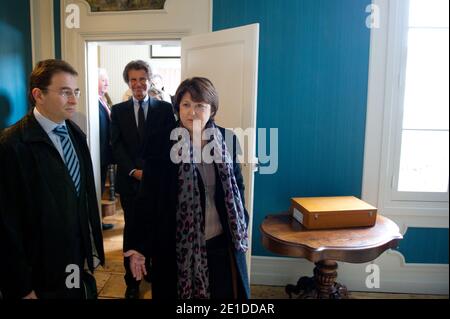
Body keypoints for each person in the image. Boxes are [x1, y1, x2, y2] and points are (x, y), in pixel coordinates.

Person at [126, 77, 250, 299]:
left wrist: (242, 220)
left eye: (200, 105)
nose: (192, 112)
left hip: (223, 243)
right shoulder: (161, 142)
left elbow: (238, 187)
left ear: (212, 110)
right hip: (175, 248)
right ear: (178, 108)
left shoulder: (227, 139)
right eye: (186, 105)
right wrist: (138, 247)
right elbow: (146, 198)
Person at [0, 59, 104, 299]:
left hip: (73, 260)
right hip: (38, 271)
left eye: (75, 91)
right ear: (39, 94)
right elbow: (7, 226)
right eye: (65, 92)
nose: (74, 100)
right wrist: (21, 287)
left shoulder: (75, 134)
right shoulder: (11, 146)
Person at [110, 60, 173, 299]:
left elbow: (170, 146)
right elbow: (115, 146)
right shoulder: (118, 111)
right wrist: (134, 171)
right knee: (133, 230)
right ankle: (132, 281)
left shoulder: (165, 109)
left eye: (142, 79)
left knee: (156, 228)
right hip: (130, 183)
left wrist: (154, 171)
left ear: (150, 80)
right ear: (128, 82)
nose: (138, 84)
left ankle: (152, 271)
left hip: (157, 183)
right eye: (133, 80)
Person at [98, 68, 114, 231]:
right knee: (98, 188)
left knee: (101, 188)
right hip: (98, 154)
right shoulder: (92, 102)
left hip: (105, 155)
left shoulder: (103, 100)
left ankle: (99, 220)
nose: (107, 83)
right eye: (103, 80)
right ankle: (97, 221)